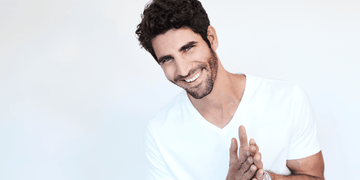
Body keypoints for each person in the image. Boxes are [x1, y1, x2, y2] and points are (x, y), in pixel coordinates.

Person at [135, 0, 325, 179]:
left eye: (188, 48)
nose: (183, 70)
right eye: (167, 59)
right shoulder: (159, 131)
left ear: (211, 38)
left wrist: (264, 177)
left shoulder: (288, 99)